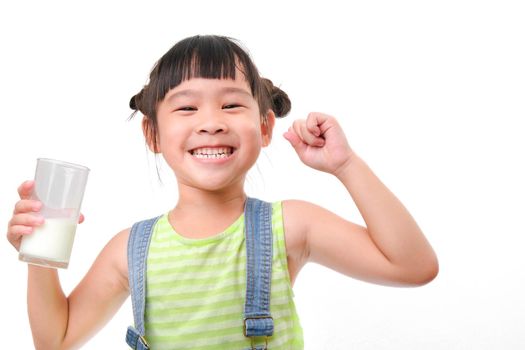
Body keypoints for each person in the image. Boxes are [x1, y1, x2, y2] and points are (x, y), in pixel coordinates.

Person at [6, 35, 438, 350]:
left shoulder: (290, 226)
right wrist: (38, 254)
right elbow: (55, 340)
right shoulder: (131, 249)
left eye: (231, 104)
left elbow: (413, 266)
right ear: (152, 133)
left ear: (265, 127)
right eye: (187, 107)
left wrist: (346, 166)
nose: (211, 121)